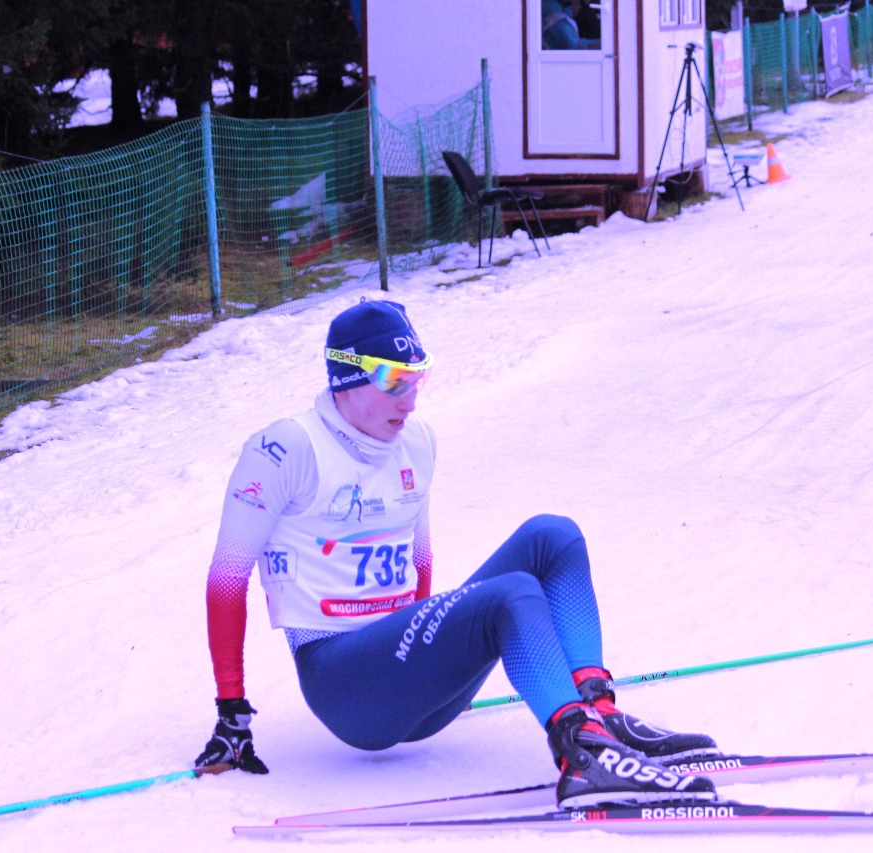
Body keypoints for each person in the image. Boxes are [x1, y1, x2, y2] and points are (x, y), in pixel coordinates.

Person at [195, 299, 720, 808]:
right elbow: (227, 577)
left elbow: (420, 563)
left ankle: (598, 715)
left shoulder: (417, 441)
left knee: (553, 536)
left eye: (418, 379)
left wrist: (429, 654)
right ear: (347, 378)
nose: (411, 400)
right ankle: (582, 758)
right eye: (395, 381)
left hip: (406, 671)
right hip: (345, 684)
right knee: (511, 594)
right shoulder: (285, 448)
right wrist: (231, 714)